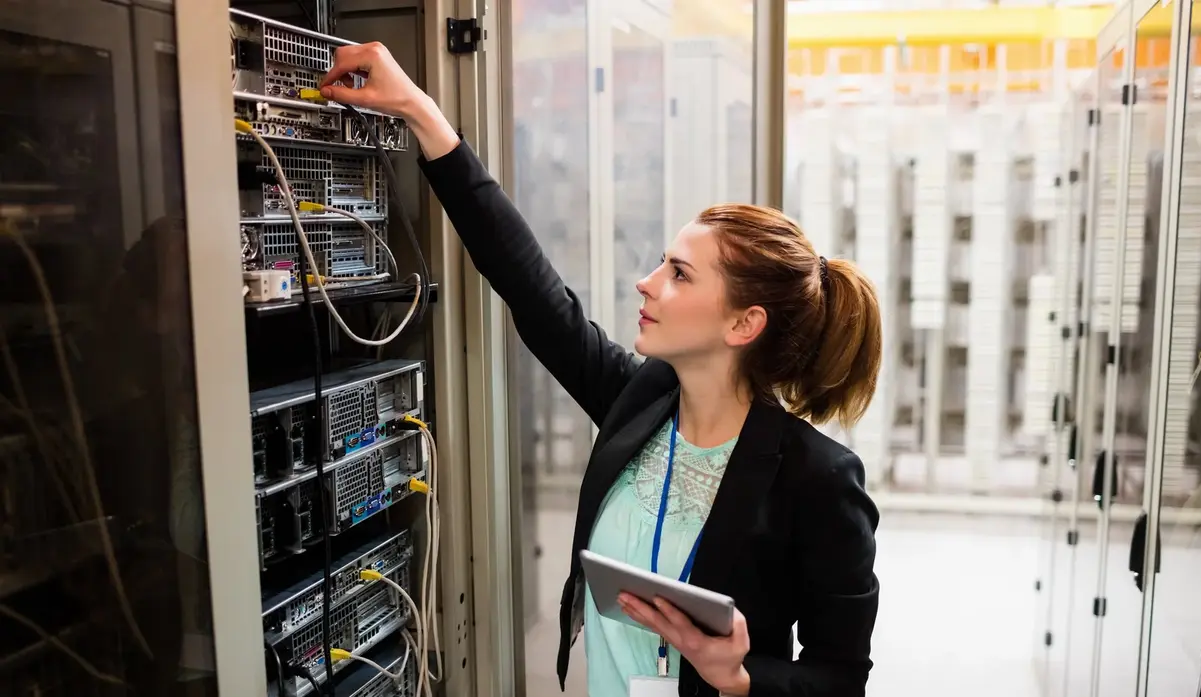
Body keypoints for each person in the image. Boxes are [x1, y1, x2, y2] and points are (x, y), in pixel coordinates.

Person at [320, 43, 882, 697]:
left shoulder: (818, 479)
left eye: (677, 273)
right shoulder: (639, 402)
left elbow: (840, 677)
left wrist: (740, 675)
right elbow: (531, 287)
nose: (646, 283)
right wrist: (419, 112)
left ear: (742, 323)